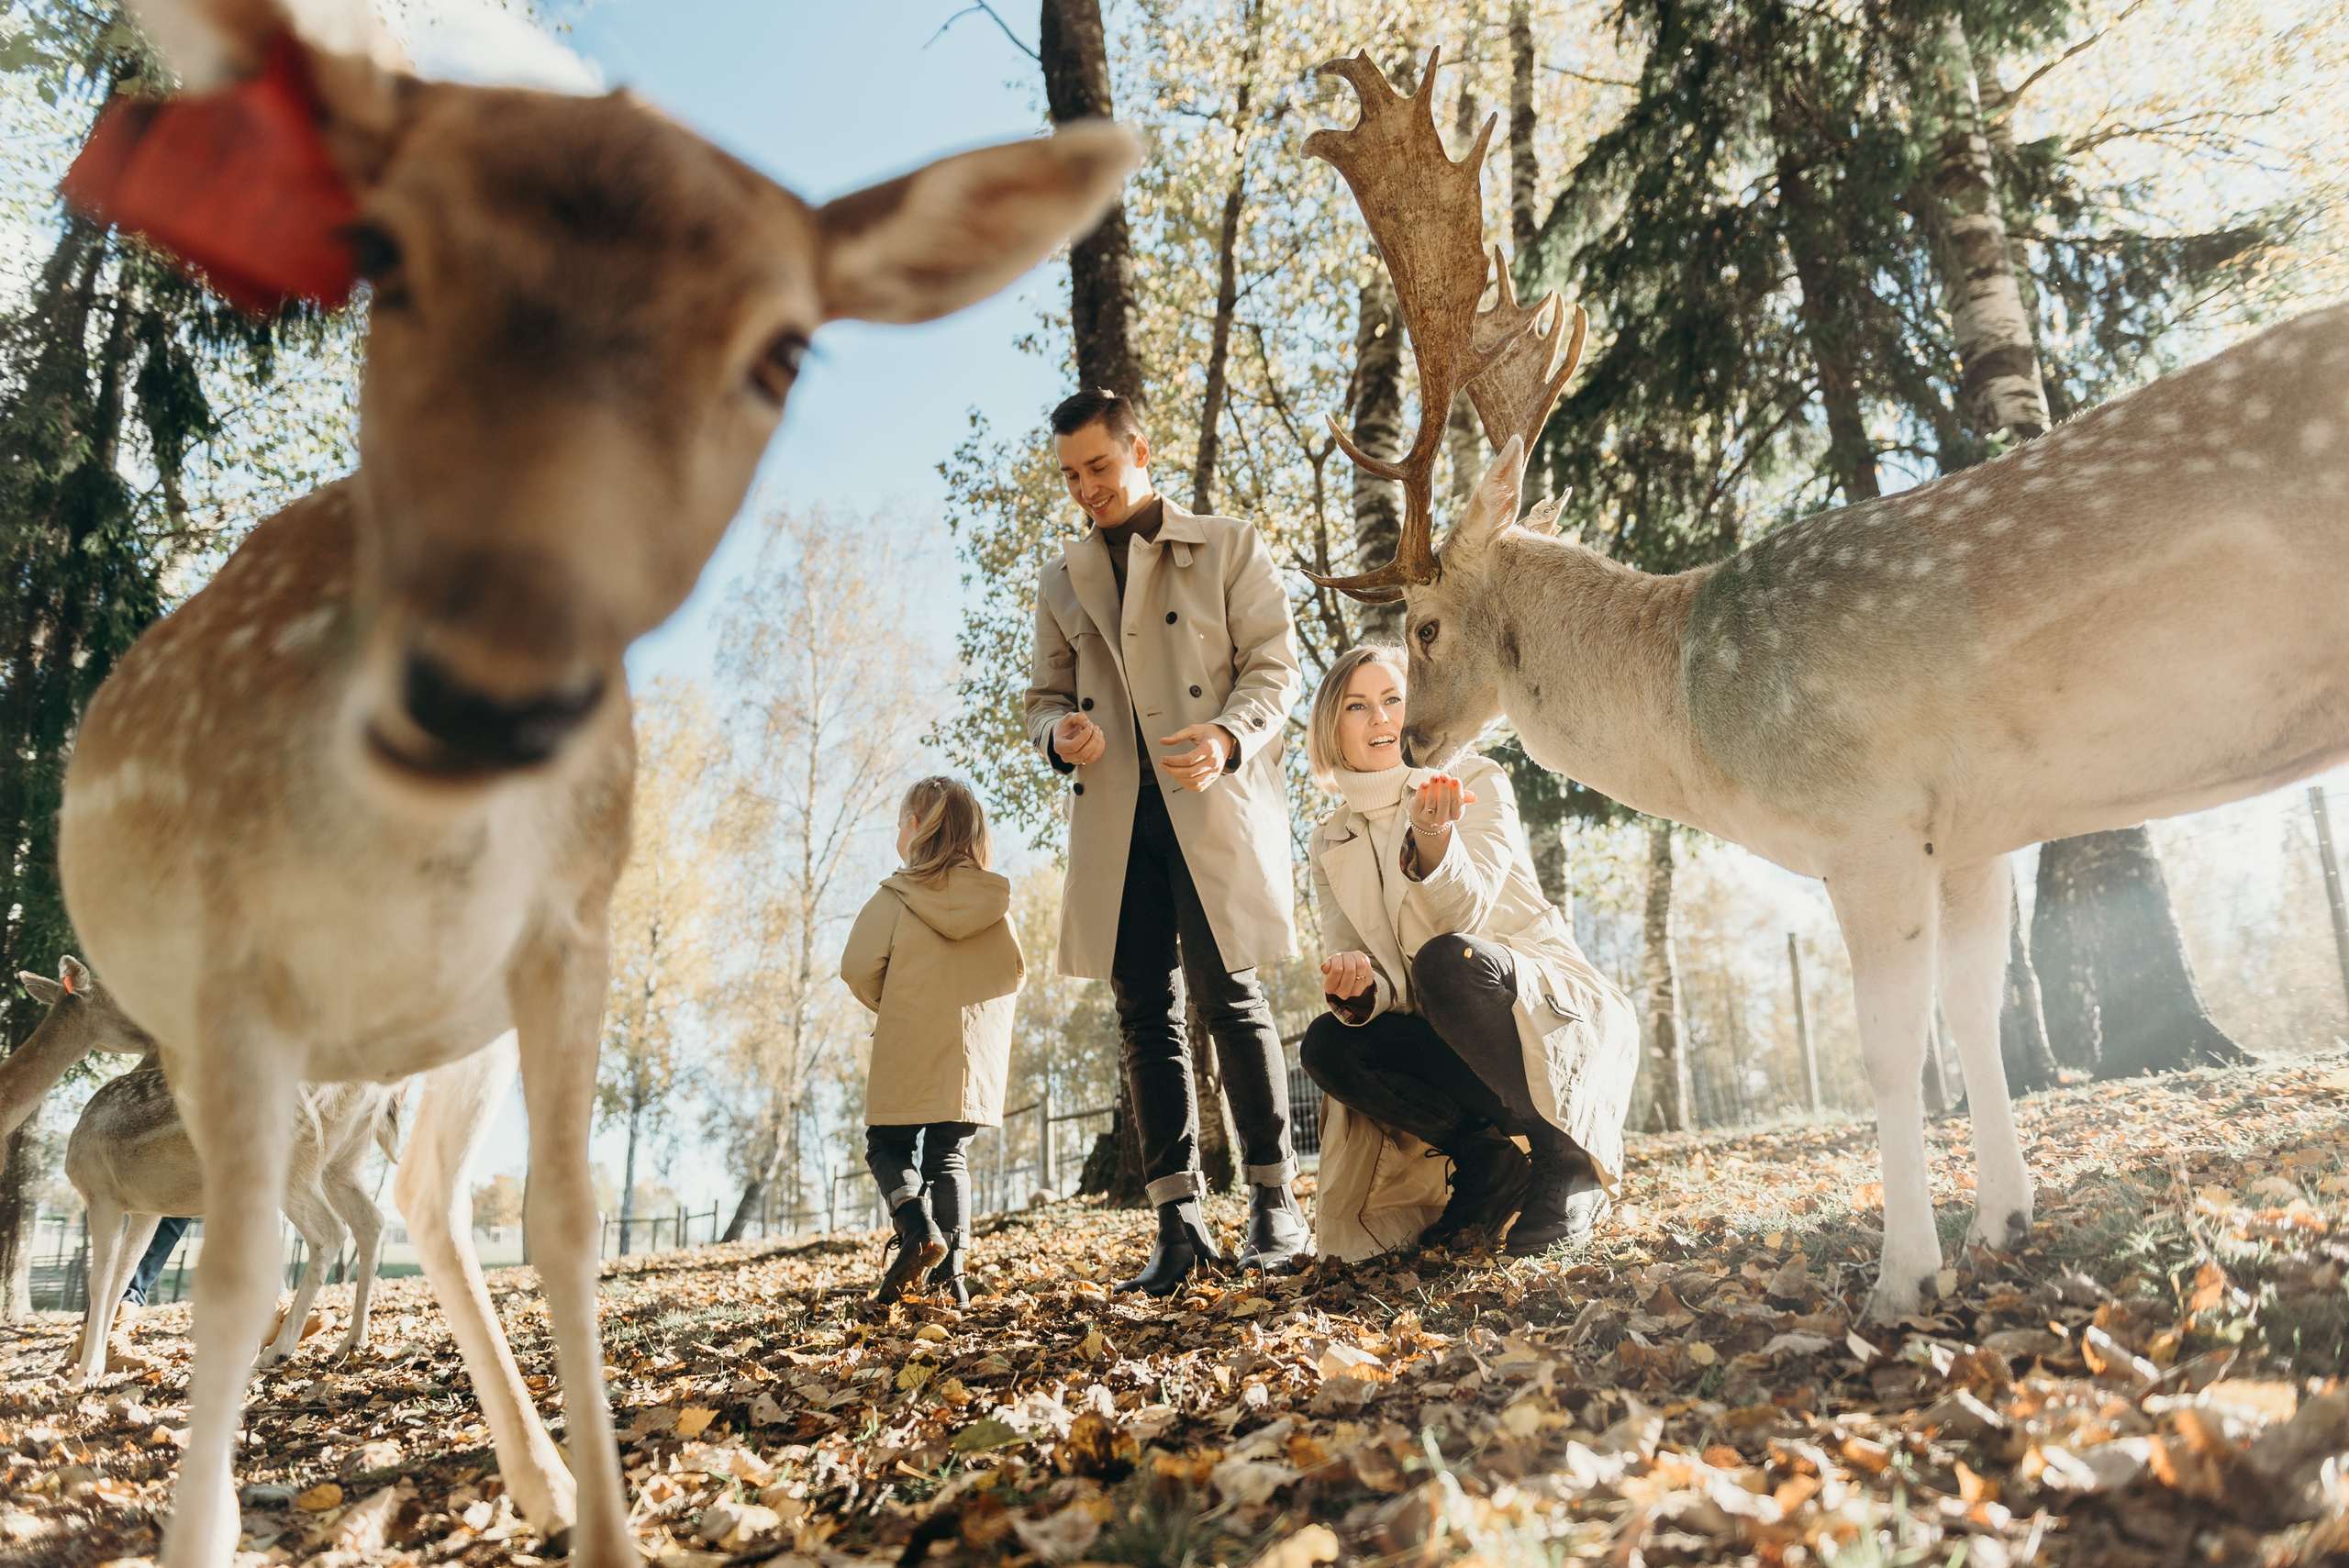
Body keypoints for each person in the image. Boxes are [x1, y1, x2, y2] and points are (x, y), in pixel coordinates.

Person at [1025, 386, 1308, 1294]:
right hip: (1116, 817)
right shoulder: (1062, 575)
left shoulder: (1226, 544)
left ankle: (1274, 1202)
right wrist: (1058, 733)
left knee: (1232, 995)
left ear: (1139, 449)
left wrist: (1227, 738)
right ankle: (1176, 1222)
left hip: (1210, 803)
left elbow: (1276, 667)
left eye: (1098, 467)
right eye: (1071, 475)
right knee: (1144, 1017)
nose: (1085, 490)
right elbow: (1043, 696)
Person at [1299, 645, 1639, 1261]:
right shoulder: (1330, 838)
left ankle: (1566, 1157)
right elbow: (1361, 963)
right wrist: (1358, 988)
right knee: (1328, 1043)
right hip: (1444, 1030)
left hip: (1529, 1009)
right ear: (1334, 729)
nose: (1381, 718)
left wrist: (1433, 840)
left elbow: (1466, 919)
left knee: (1446, 963)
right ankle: (1487, 1161)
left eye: (1393, 699)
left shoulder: (1476, 779)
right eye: (1358, 706)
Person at [840, 776, 1025, 1305]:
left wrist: (894, 1005)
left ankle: (916, 1226)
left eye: (900, 821)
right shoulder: (996, 904)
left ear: (916, 827)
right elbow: (1014, 972)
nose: (897, 832)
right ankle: (954, 1276)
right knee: (948, 1156)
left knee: (888, 1144)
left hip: (908, 1043)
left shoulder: (896, 896)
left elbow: (856, 967)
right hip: (968, 1059)